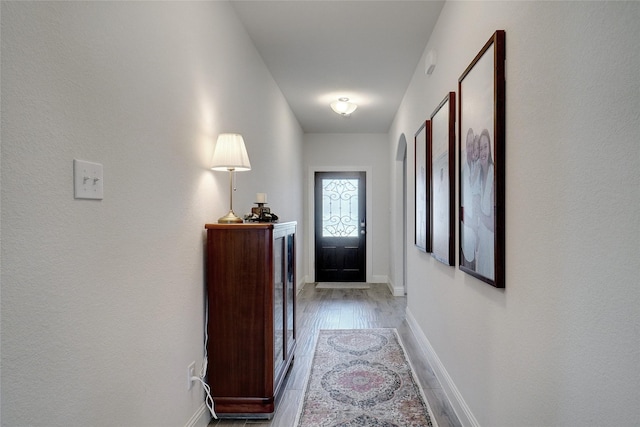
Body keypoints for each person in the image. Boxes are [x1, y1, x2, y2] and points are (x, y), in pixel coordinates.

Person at [473, 129, 495, 279]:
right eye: (480, 148)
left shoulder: (494, 177)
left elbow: (493, 224)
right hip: (481, 241)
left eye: (485, 147)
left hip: (490, 245)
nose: (482, 152)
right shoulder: (479, 177)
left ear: (490, 149)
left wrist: (479, 212)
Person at [461, 128, 479, 270]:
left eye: (473, 144)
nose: (471, 147)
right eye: (468, 144)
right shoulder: (464, 170)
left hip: (477, 229)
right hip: (467, 230)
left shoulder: (477, 166)